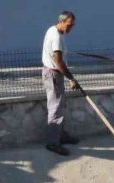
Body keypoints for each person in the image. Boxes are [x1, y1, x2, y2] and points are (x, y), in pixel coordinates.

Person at [41, 11, 80, 156]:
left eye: (72, 26)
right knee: (55, 108)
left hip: (53, 74)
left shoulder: (53, 30)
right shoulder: (56, 37)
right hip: (53, 75)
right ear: (62, 22)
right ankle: (52, 143)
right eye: (69, 25)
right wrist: (71, 78)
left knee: (60, 105)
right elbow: (58, 62)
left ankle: (60, 136)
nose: (71, 29)